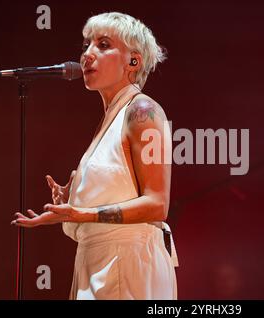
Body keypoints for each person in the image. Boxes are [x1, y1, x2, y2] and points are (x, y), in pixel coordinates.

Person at [11, 12, 178, 300]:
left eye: (102, 45)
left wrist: (82, 213)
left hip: (127, 264)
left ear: (133, 61)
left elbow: (157, 204)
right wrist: (73, 200)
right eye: (87, 44)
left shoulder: (142, 111)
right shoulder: (109, 120)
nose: (87, 54)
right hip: (98, 262)